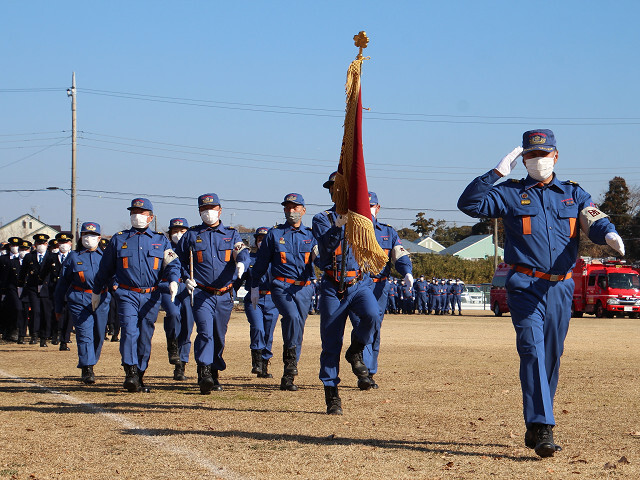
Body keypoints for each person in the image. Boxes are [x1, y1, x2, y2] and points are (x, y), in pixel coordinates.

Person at [458, 129, 625, 458]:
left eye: (543, 155)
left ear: (556, 156)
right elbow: (469, 204)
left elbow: (594, 219)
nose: (537, 161)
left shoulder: (573, 194)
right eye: (531, 156)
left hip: (561, 286)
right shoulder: (510, 194)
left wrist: (610, 234)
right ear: (523, 160)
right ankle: (544, 425)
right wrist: (495, 174)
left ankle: (535, 425)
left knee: (551, 354)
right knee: (532, 350)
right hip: (525, 285)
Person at [93, 198, 181, 393]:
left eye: (141, 213)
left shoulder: (161, 240)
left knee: (145, 336)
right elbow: (105, 268)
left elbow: (173, 263)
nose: (136, 216)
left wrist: (174, 280)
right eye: (133, 212)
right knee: (129, 331)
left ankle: (140, 373)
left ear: (150, 217)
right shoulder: (119, 239)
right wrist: (97, 290)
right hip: (127, 294)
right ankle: (130, 371)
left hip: (151, 295)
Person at [312, 172, 379, 415]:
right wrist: (337, 226)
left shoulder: (362, 219)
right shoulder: (322, 218)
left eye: (341, 189)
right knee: (331, 342)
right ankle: (332, 394)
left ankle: (356, 348)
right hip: (333, 285)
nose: (337, 192)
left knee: (372, 315)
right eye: (333, 188)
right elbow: (325, 246)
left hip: (358, 281)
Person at [175, 193, 249, 394]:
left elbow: (242, 250)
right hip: (201, 293)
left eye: (212, 208)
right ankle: (205, 371)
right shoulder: (191, 235)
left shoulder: (231, 234)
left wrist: (242, 263)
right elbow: (178, 260)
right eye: (204, 209)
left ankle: (214, 370)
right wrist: (184, 277)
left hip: (224, 294)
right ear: (199, 212)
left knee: (218, 335)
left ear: (220, 210)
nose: (209, 212)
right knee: (205, 332)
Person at [250, 193, 318, 391]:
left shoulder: (311, 235)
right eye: (287, 207)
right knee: (292, 317)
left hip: (304, 288)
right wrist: (254, 285)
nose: (291, 211)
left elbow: (321, 261)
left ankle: (289, 372)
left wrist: (319, 256)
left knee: (298, 329)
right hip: (281, 286)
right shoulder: (274, 234)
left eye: (295, 207)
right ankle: (290, 366)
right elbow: (262, 263)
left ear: (303, 211)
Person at [351, 191, 412, 388]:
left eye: (371, 206)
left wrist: (407, 272)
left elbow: (399, 255)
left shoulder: (388, 232)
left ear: (378, 208)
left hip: (380, 285)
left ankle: (369, 370)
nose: (368, 210)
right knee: (363, 323)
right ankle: (363, 370)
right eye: (363, 207)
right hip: (358, 284)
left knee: (375, 327)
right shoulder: (351, 231)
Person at [54, 222, 111, 384]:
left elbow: (115, 278)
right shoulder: (73, 257)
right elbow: (62, 284)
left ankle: (91, 360)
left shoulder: (106, 257)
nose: (88, 238)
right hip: (79, 299)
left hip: (101, 299)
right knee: (84, 333)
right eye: (85, 235)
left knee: (99, 335)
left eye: (92, 235)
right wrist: (58, 307)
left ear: (99, 238)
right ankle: (87, 367)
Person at [237, 226, 279, 379]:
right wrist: (230, 291)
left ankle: (264, 366)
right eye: (260, 239)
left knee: (268, 334)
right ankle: (256, 362)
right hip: (254, 298)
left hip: (273, 299)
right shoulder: (250, 258)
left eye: (265, 240)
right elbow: (239, 278)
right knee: (258, 328)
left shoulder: (276, 260)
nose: (262, 242)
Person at [160, 217, 195, 381]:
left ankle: (181, 366)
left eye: (182, 231)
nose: (178, 235)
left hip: (188, 290)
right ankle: (172, 344)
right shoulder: (164, 248)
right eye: (175, 231)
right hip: (168, 288)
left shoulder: (192, 250)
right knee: (173, 315)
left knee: (187, 327)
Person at [17, 233, 51, 346]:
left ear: (46, 244)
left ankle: (44, 337)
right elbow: (22, 273)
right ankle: (34, 335)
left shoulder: (51, 257)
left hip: (46, 289)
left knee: (46, 313)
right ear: (35, 244)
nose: (41, 245)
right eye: (38, 243)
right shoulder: (29, 257)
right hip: (32, 288)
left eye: (43, 243)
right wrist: (20, 286)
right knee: (36, 312)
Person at [0, 237, 24, 341]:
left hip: (20, 287)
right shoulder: (3, 259)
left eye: (17, 246)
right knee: (6, 310)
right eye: (12, 245)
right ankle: (7, 331)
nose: (15, 248)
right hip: (7, 288)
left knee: (18, 309)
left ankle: (16, 330)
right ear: (9, 246)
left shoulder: (23, 258)